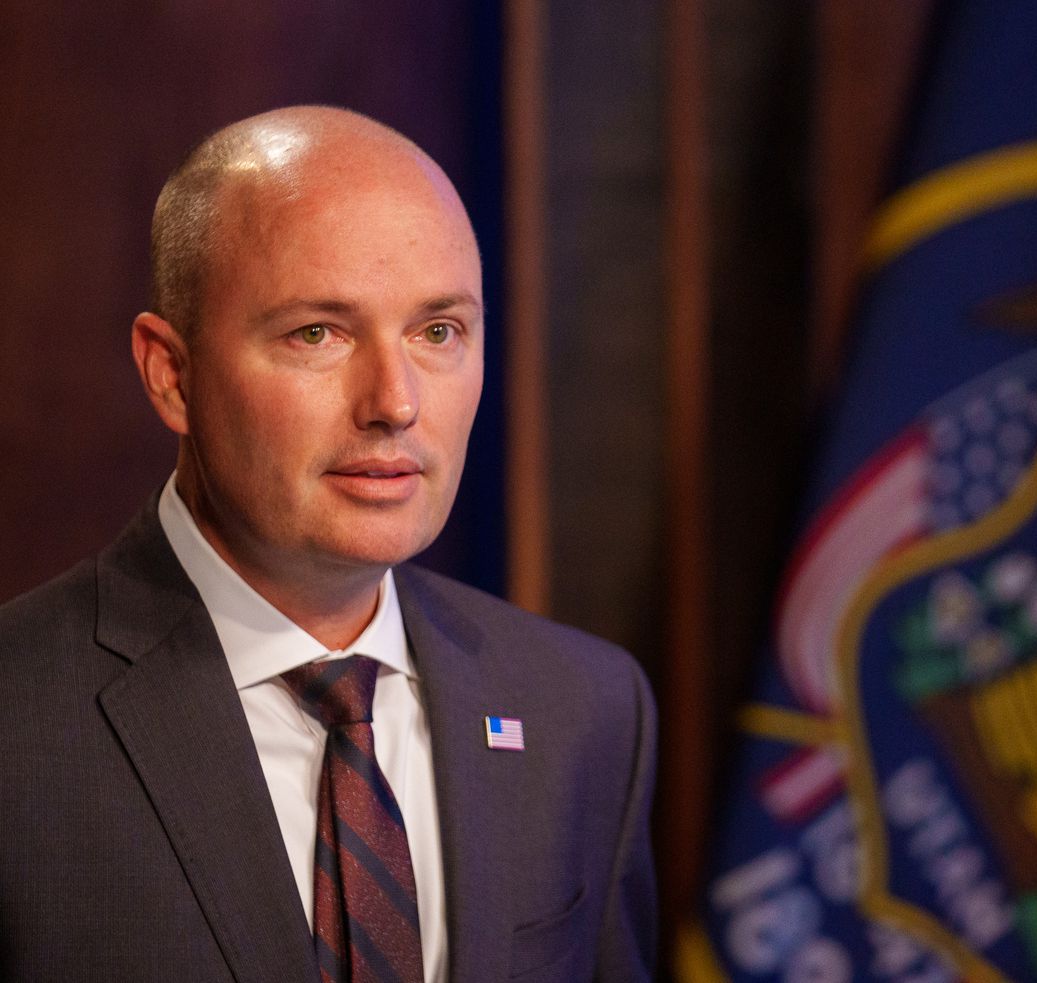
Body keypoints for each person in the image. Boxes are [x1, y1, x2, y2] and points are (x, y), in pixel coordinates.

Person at [0, 106, 656, 983]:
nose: (395, 401)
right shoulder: (19, 722)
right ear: (172, 374)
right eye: (319, 333)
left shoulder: (586, 709)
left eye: (438, 331)